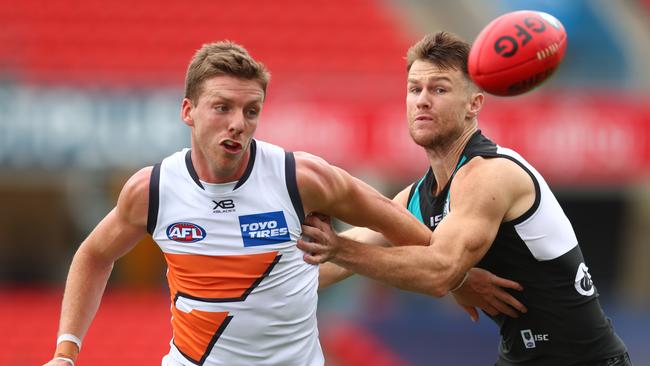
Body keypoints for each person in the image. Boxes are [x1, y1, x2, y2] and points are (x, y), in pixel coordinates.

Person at [43, 41, 524, 366]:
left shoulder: (302, 178)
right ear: (188, 111)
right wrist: (66, 350)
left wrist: (455, 277)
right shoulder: (153, 189)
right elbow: (94, 254)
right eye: (222, 107)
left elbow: (403, 226)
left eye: (251, 111)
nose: (238, 123)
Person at [299, 32, 632, 366]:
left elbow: (440, 272)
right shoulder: (417, 196)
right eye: (415, 89)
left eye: (439, 89)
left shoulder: (490, 174)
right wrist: (257, 285)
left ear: (474, 104)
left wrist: (340, 249)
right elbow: (329, 262)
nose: (422, 100)